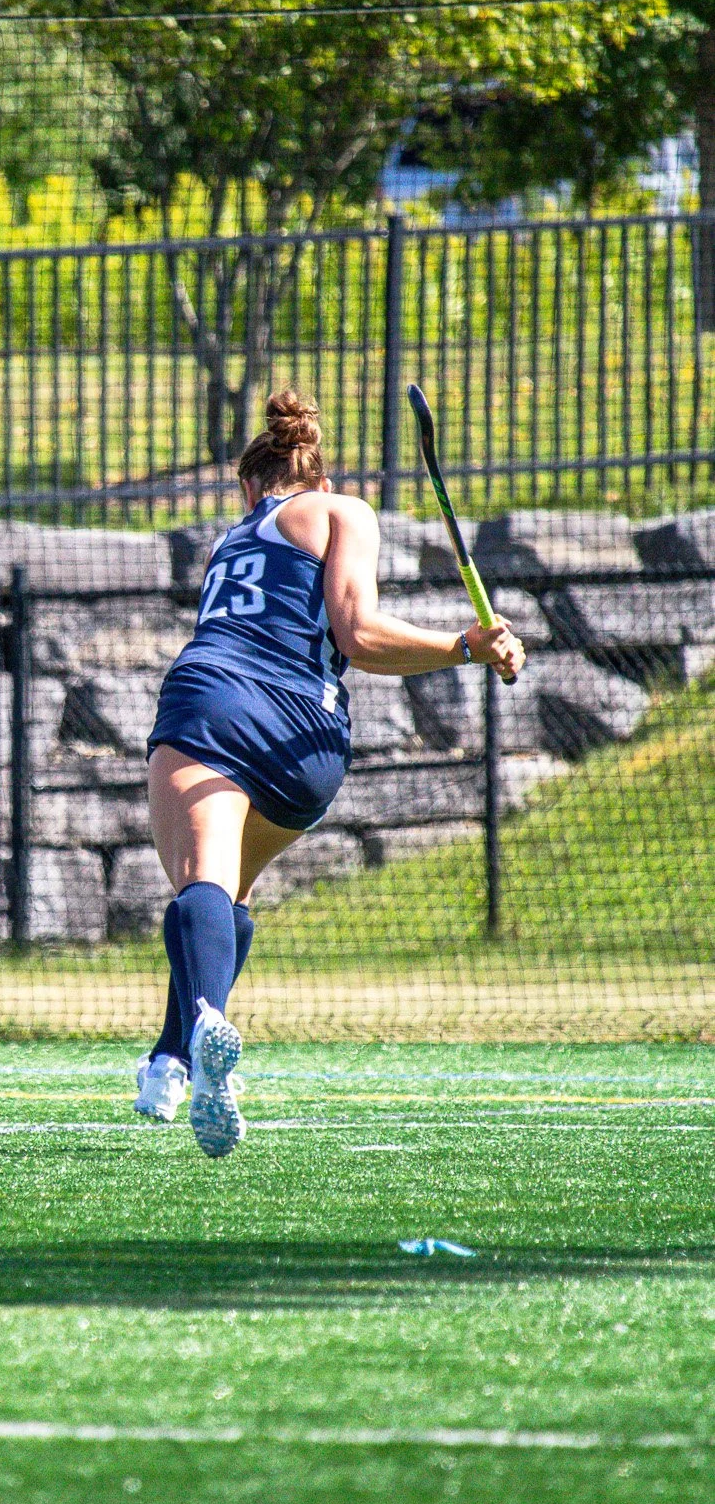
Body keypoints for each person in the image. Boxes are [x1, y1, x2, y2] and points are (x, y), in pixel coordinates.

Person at [137, 389, 525, 1158]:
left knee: (201, 881)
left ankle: (202, 1026)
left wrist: (463, 645)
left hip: (213, 702)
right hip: (308, 744)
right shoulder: (345, 511)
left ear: (249, 486)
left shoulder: (228, 541)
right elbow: (355, 640)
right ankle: (170, 1058)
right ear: (318, 476)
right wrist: (467, 647)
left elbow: (356, 634)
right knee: (232, 894)